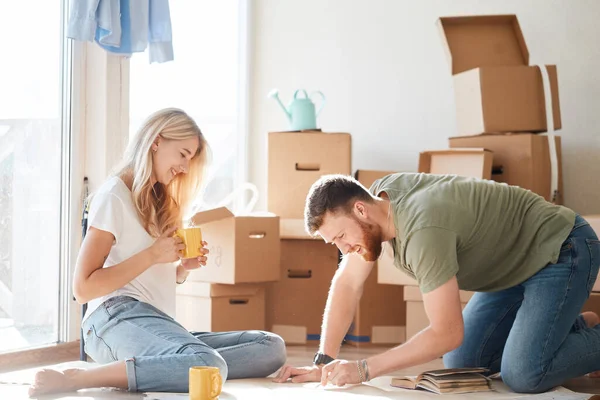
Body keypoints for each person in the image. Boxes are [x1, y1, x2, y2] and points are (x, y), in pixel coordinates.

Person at [29, 108, 286, 397]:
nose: (185, 168)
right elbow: (83, 289)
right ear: (156, 142)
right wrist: (153, 254)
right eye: (183, 154)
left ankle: (167, 364)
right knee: (208, 365)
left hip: (156, 320)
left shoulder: (159, 201)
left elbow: (148, 278)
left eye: (191, 159)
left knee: (270, 347)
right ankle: (77, 378)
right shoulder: (114, 196)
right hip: (113, 318)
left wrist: (181, 269)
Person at [272, 172, 600, 393]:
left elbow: (447, 331)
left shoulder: (423, 231)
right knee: (461, 363)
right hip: (510, 268)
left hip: (560, 248)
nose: (345, 249)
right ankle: (569, 330)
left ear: (360, 210)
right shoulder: (380, 204)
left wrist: (364, 369)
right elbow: (347, 284)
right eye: (335, 243)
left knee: (524, 374)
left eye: (342, 236)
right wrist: (325, 363)